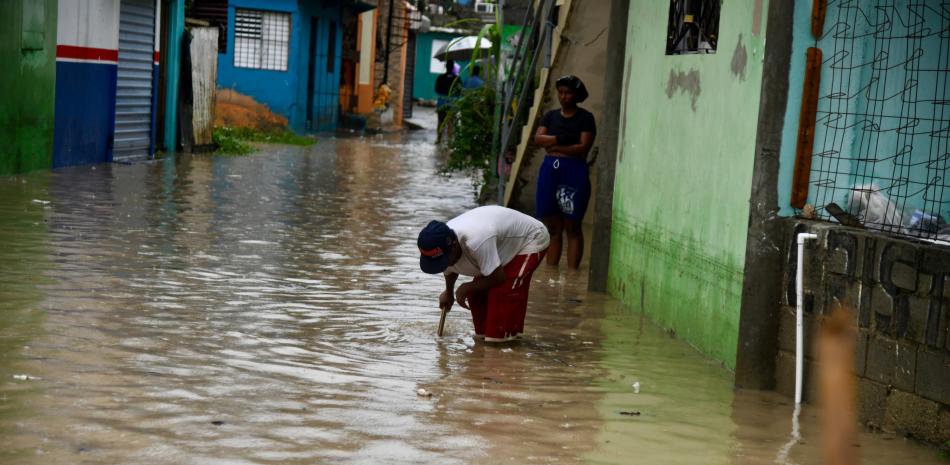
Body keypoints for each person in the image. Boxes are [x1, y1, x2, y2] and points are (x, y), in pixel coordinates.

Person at [417, 206, 550, 342]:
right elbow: (450, 270)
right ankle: (484, 342)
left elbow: (499, 277)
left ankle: (503, 342)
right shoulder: (442, 241)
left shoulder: (476, 241)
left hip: (530, 239)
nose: (445, 265)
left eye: (444, 260)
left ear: (455, 245)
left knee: (502, 293)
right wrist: (449, 292)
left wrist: (466, 287)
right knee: (475, 295)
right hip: (498, 244)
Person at [533, 75, 596, 269]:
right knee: (552, 227)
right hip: (550, 172)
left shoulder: (586, 118)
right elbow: (538, 138)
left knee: (572, 225)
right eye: (560, 92)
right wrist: (566, 140)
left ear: (577, 95)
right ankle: (551, 273)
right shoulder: (550, 116)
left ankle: (572, 273)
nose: (563, 96)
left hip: (574, 172)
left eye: (568, 93)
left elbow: (583, 147)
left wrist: (555, 143)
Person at [434, 60, 460, 142]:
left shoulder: (440, 77)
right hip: (452, 103)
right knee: (451, 122)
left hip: (441, 102)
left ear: (446, 67)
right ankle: (449, 141)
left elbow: (436, 89)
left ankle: (439, 139)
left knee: (440, 122)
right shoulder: (457, 79)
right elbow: (460, 90)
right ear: (453, 68)